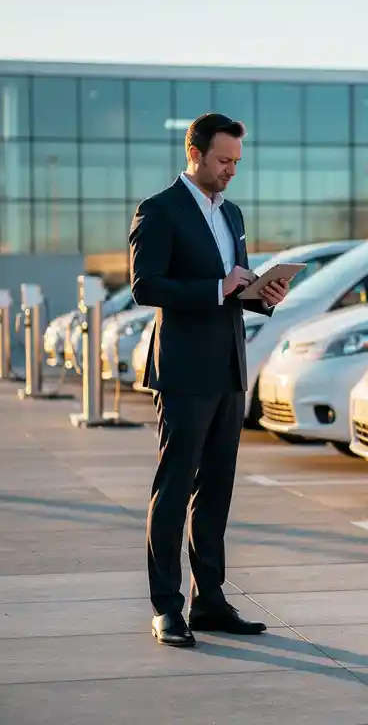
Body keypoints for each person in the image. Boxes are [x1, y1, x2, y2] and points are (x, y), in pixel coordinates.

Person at [128, 113, 290, 647]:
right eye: (224, 160)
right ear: (194, 153)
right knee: (174, 489)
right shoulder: (159, 210)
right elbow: (145, 285)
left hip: (228, 367)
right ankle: (166, 608)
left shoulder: (232, 213)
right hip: (183, 371)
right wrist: (217, 288)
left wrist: (258, 294)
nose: (231, 171)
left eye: (237, 162)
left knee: (216, 489)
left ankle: (210, 601)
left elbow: (230, 287)